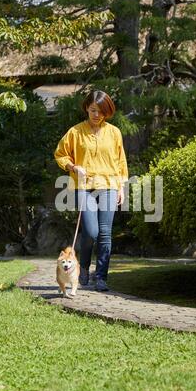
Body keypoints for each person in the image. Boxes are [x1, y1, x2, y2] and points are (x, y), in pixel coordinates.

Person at [54, 90, 129, 292]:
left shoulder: (114, 132)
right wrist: (73, 167)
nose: (97, 115)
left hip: (109, 185)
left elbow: (121, 162)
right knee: (90, 231)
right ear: (87, 107)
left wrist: (121, 187)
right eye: (94, 110)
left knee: (105, 234)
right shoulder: (75, 132)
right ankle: (84, 267)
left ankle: (101, 277)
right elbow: (60, 155)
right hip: (84, 187)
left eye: (102, 111)